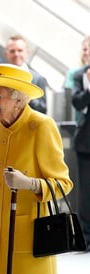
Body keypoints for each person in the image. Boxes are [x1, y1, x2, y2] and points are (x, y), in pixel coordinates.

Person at [0, 63, 74, 273]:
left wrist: (30, 184)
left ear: (18, 99)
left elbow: (63, 184)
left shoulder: (41, 126)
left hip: (29, 241)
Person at [71, 61, 90, 252]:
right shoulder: (80, 75)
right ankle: (85, 238)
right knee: (85, 194)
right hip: (86, 143)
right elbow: (77, 102)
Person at [5, 34, 48, 114]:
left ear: (27, 52)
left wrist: (25, 94)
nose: (16, 54)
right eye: (12, 51)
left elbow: (42, 109)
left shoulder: (38, 79)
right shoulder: (0, 78)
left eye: (20, 50)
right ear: (6, 54)